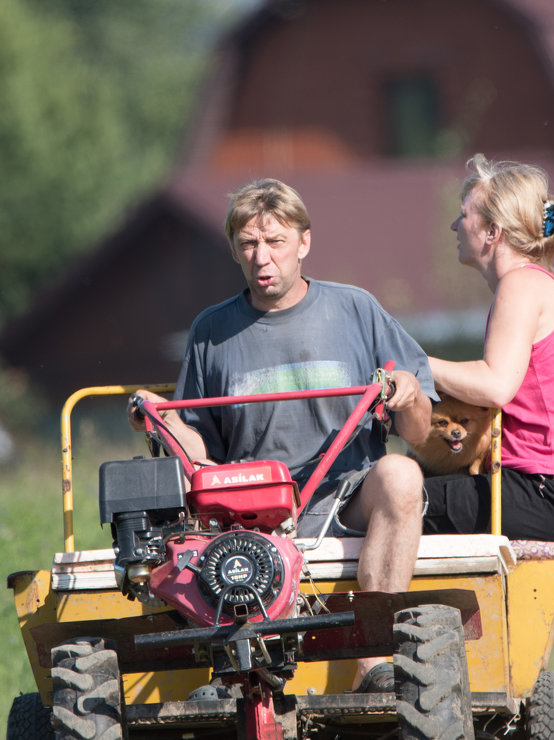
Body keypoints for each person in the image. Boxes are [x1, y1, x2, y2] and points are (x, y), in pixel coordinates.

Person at [128, 178, 435, 692]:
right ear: (233, 250)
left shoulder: (356, 309)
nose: (262, 257)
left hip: (345, 493)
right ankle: (237, 675)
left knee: (402, 474)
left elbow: (419, 432)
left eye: (275, 242)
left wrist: (408, 392)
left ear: (304, 243)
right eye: (249, 244)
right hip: (251, 508)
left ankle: (375, 662)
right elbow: (199, 454)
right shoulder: (211, 331)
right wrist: (166, 420)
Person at [425, 154, 554, 550]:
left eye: (464, 215)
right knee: (418, 485)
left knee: (392, 501)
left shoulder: (520, 286)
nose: (454, 224)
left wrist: (413, 365)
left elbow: (496, 384)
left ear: (492, 232)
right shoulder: (530, 285)